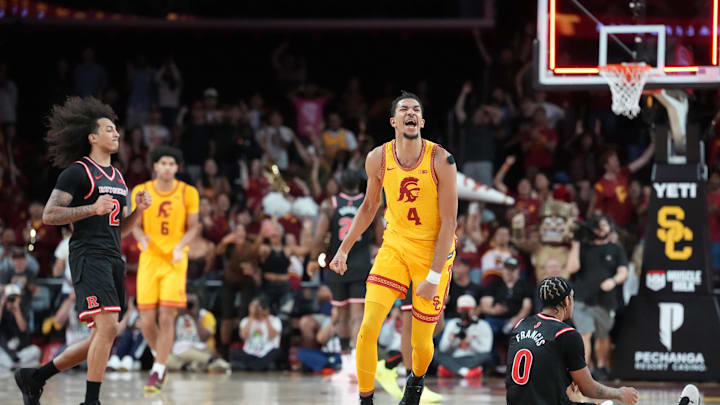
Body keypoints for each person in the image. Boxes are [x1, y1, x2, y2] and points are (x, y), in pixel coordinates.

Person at [15, 96, 151, 405]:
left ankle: (35, 377)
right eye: (108, 129)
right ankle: (91, 401)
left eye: (116, 130)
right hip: (88, 255)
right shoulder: (77, 172)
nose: (116, 134)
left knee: (104, 334)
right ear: (92, 137)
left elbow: (119, 229)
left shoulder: (118, 176)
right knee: (107, 328)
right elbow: (49, 215)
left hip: (113, 256)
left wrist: (139, 211)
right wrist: (91, 208)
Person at [330, 91, 458, 405]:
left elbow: (449, 222)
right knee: (368, 326)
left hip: (433, 250)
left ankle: (414, 386)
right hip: (395, 247)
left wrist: (433, 275)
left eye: (416, 109)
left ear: (422, 121)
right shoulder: (377, 158)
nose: (410, 113)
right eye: (404, 109)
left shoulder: (442, 159)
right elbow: (369, 206)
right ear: (394, 121)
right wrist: (343, 249)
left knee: (421, 339)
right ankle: (366, 399)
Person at [130, 146, 201, 392]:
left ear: (177, 168)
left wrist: (182, 245)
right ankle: (160, 353)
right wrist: (141, 237)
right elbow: (133, 223)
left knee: (166, 316)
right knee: (146, 320)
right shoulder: (141, 191)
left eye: (172, 163)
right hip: (149, 259)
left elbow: (193, 227)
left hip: (175, 260)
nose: (168, 167)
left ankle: (158, 370)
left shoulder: (187, 192)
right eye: (164, 163)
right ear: (155, 166)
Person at [506, 277, 639, 405]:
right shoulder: (566, 333)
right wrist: (619, 393)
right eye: (572, 297)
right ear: (566, 301)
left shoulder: (520, 325)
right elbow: (588, 388)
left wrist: (567, 378)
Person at [312, 169, 374, 382]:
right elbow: (378, 234)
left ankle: (346, 366)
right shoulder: (369, 202)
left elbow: (319, 235)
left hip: (337, 262)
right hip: (360, 263)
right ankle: (357, 367)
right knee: (358, 314)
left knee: (341, 314)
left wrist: (314, 258)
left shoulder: (330, 204)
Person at [566, 215, 628, 381]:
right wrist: (576, 244)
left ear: (610, 227)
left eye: (604, 226)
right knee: (584, 334)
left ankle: (601, 366)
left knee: (603, 336)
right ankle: (584, 371)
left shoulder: (615, 248)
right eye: (597, 226)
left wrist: (613, 281)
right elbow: (572, 268)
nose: (601, 229)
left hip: (605, 300)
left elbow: (623, 272)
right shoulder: (583, 247)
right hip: (582, 300)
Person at [435, 294, 493, 379]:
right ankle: (465, 372)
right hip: (454, 358)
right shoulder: (453, 324)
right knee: (435, 353)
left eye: (468, 310)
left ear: (475, 309)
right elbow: (443, 349)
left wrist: (471, 343)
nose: (465, 313)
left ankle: (452, 370)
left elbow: (486, 350)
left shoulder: (483, 325)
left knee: (487, 356)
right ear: (458, 309)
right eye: (462, 310)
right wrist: (450, 341)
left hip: (473, 358)